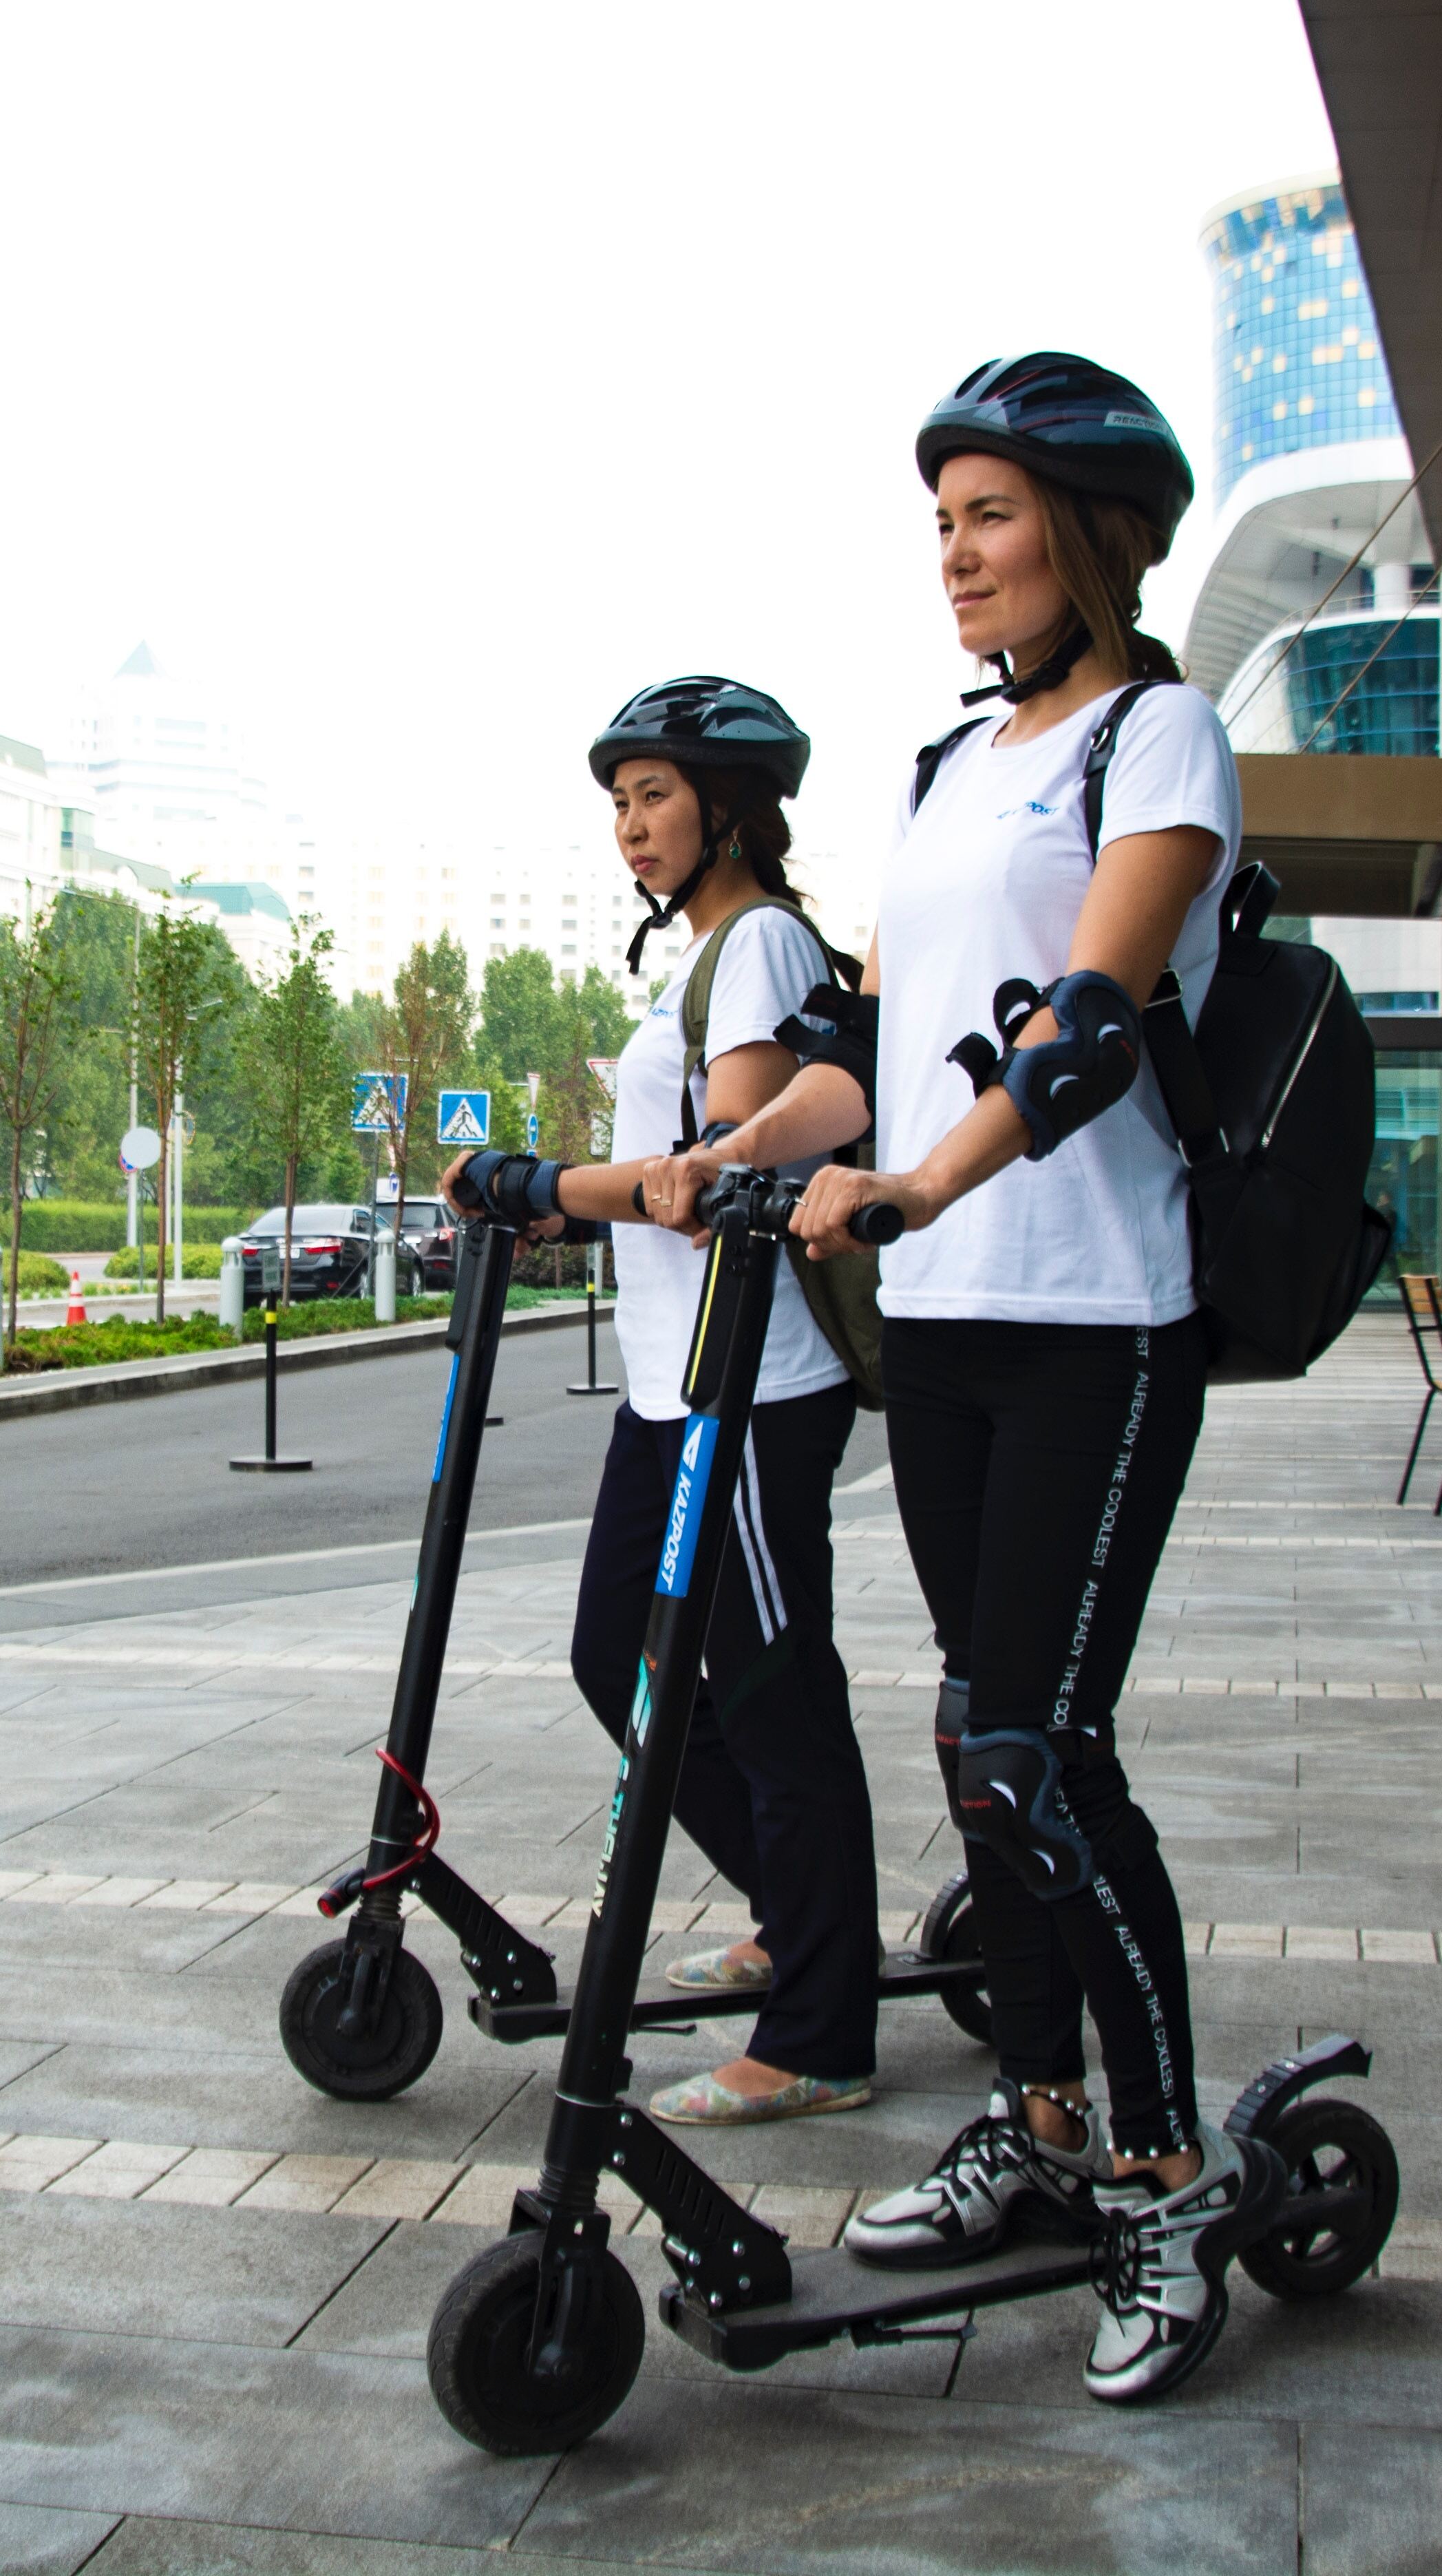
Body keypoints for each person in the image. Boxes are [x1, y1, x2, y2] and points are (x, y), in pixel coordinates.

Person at [685, 351, 1251, 2402]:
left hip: (1096, 1311)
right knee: (968, 1745)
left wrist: (917, 1177)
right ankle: (1039, 2121)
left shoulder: (1157, 735)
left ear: (1085, 536)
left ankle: (1168, 2172)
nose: (955, 554)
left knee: (1038, 1748)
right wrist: (751, 1153)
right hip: (945, 1322)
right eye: (939, 521)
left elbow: (1090, 1015)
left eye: (989, 514)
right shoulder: (942, 775)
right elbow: (872, 1037)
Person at [449, 675, 880, 2128]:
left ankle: (821, 2020)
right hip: (670, 1389)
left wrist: (542, 1182)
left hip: (748, 1390)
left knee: (770, 1686)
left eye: (654, 796)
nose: (631, 826)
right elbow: (660, 1184)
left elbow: (720, 1184)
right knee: (608, 1653)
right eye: (620, 802)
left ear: (729, 809)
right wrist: (566, 1207)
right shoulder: (703, 957)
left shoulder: (756, 946)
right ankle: (796, 1906)